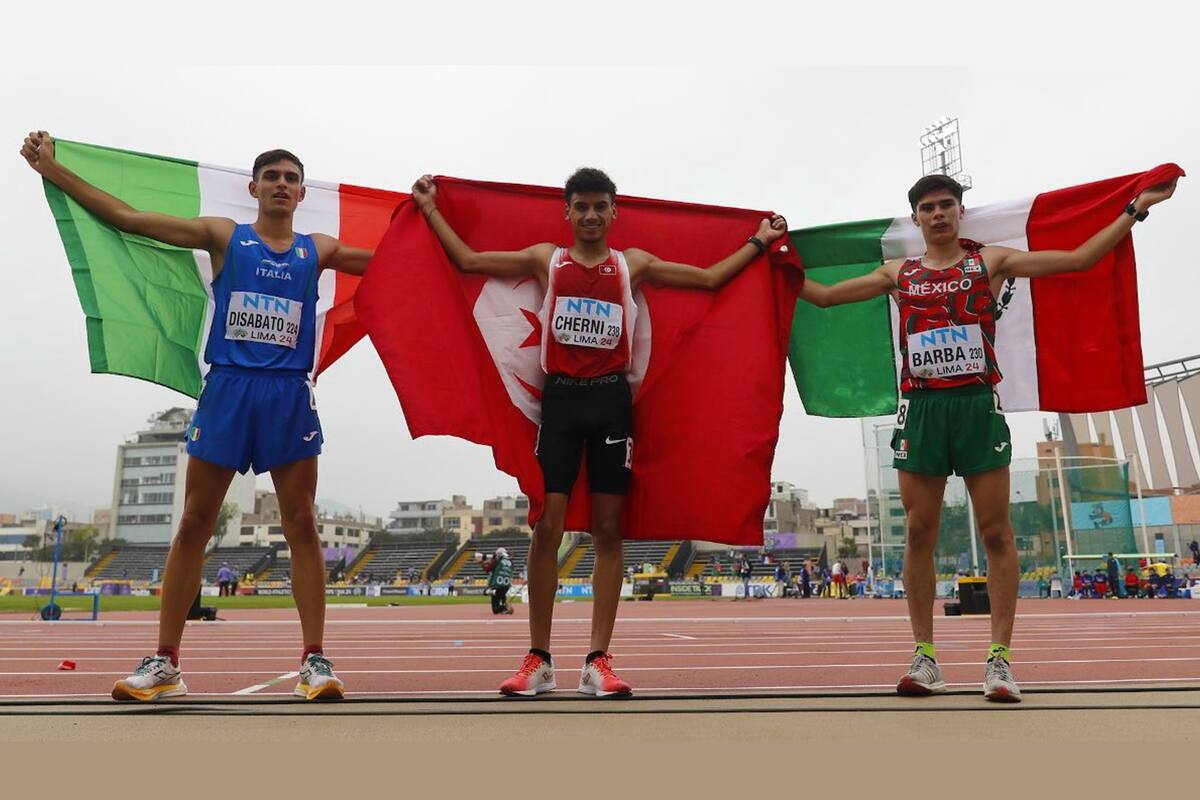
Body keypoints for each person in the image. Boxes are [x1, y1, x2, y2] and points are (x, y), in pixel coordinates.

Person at [799, 171, 1178, 702]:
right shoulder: (897, 271)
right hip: (924, 409)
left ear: (959, 211)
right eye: (928, 207)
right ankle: (924, 658)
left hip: (977, 405)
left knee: (997, 532)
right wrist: (767, 256)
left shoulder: (991, 261)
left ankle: (999, 662)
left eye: (946, 205)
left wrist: (1135, 209)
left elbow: (1078, 260)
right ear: (916, 218)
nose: (938, 214)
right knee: (917, 534)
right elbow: (822, 296)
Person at [23, 132, 373, 702]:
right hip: (229, 390)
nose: (281, 184)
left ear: (302, 192)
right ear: (254, 187)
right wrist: (55, 171)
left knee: (302, 525)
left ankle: (315, 662)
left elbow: (403, 267)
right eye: (272, 176)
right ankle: (166, 663)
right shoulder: (223, 236)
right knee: (193, 523)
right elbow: (129, 219)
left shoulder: (320, 249)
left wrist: (441, 223)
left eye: (291, 177)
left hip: (288, 393)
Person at [411, 168, 786, 698]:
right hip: (561, 402)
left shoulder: (632, 265)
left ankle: (597, 661)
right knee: (548, 526)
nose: (590, 215)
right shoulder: (548, 259)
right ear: (567, 213)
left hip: (612, 403)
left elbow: (707, 280)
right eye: (581, 206)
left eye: (599, 207)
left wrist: (758, 241)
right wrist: (429, 209)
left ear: (614, 213)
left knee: (609, 531)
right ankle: (538, 659)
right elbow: (469, 262)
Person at [484, 547, 515, 615]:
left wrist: (481, 562)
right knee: (502, 595)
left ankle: (505, 607)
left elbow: (488, 568)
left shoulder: (497, 560)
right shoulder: (511, 562)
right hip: (506, 585)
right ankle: (504, 606)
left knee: (486, 593)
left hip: (497, 584)